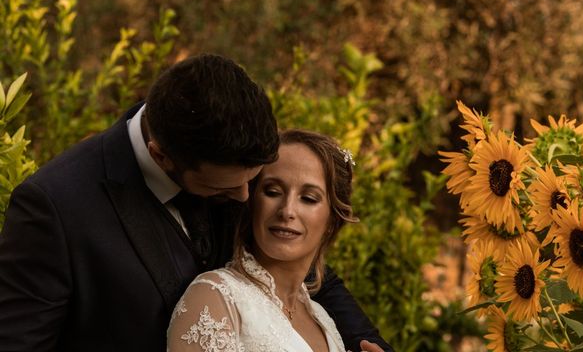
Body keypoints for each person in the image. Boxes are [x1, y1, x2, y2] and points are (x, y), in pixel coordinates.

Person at [0, 54, 391, 352]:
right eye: (223, 190)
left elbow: (295, 267)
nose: (244, 198)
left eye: (254, 182)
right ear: (162, 156)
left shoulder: (223, 130)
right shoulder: (56, 206)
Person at [168, 129, 372, 352]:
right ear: (252, 202)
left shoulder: (323, 319)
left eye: (308, 198)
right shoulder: (214, 298)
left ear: (332, 220)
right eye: (273, 191)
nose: (287, 211)